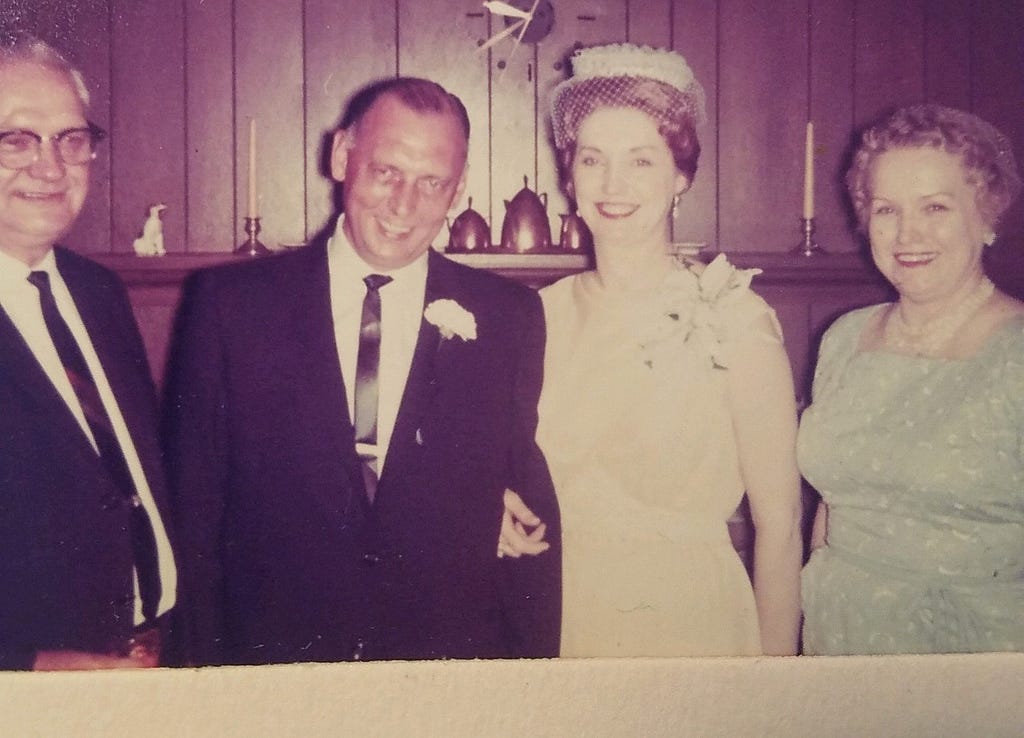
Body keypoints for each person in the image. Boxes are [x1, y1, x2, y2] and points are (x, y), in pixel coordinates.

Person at [163, 77, 561, 665]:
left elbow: (517, 503)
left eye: (433, 183)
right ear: (342, 156)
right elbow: (191, 516)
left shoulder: (509, 318)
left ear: (459, 189)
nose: (405, 205)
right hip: (272, 669)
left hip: (441, 671)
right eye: (386, 172)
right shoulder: (231, 306)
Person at [501, 43, 803, 657]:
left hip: (688, 622)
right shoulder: (538, 315)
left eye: (641, 161)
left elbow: (779, 528)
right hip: (560, 616)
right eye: (592, 160)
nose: (613, 185)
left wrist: (777, 693)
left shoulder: (733, 314)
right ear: (570, 177)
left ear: (681, 175)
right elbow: (499, 467)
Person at [798, 104, 1024, 655]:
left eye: (936, 207)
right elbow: (832, 505)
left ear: (987, 216)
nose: (908, 234)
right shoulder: (844, 338)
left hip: (970, 651)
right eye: (886, 210)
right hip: (838, 631)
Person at [0, 35, 177, 670]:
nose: (50, 167)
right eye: (16, 140)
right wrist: (35, 665)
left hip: (150, 665)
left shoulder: (97, 292)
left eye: (70, 140)